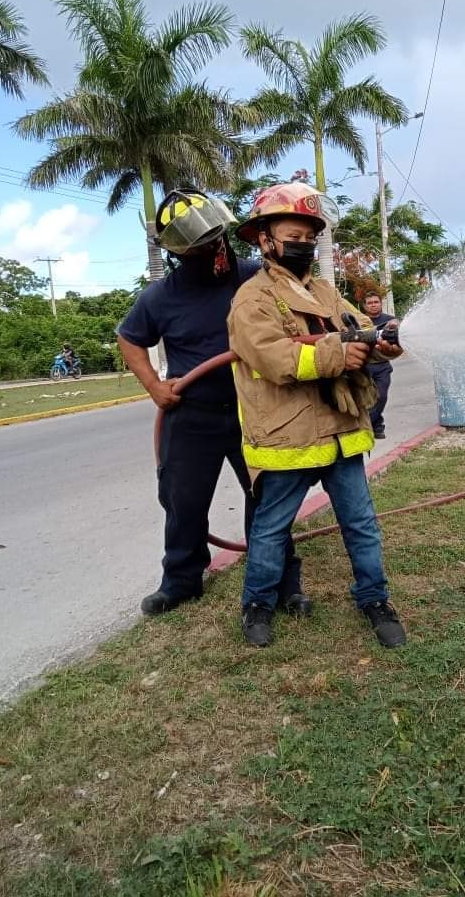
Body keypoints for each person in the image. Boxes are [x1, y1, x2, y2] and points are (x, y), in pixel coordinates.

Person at [227, 182, 407, 650]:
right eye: (294, 235)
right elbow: (275, 358)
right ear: (264, 239)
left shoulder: (326, 293)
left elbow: (359, 332)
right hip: (290, 436)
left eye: (311, 237)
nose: (304, 245)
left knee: (361, 522)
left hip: (342, 429)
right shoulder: (252, 300)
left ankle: (375, 599)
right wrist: (334, 356)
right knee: (271, 528)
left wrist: (383, 339)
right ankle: (258, 604)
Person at [117, 187, 309, 617]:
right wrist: (154, 385)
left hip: (256, 409)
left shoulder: (256, 278)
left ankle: (281, 582)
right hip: (191, 414)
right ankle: (181, 582)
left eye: (217, 240)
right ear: (179, 254)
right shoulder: (160, 297)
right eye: (201, 248)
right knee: (182, 500)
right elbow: (129, 338)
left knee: (268, 497)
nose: (214, 251)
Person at [362, 291, 397, 439]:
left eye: (376, 302)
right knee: (367, 399)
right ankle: (377, 426)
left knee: (381, 397)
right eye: (370, 303)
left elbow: (397, 343)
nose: (373, 305)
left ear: (381, 303)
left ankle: (370, 423)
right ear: (364, 306)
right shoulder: (362, 321)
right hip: (365, 366)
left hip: (383, 366)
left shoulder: (391, 321)